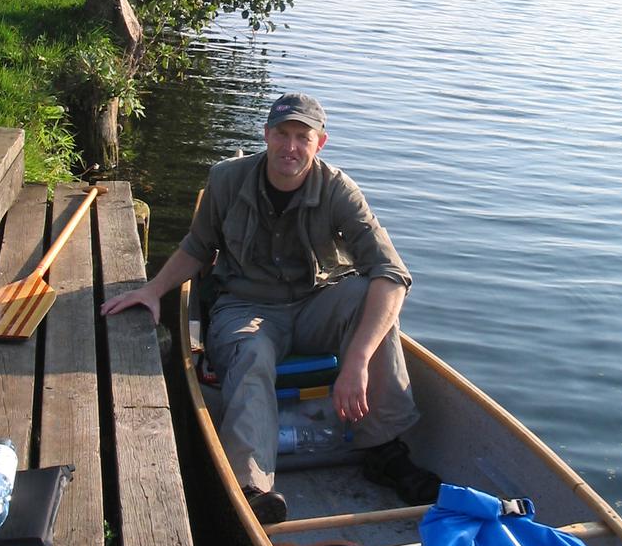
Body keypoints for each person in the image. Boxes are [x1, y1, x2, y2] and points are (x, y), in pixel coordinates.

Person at [102, 92, 440, 523]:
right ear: (266, 134)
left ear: (320, 143)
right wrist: (154, 290)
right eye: (282, 134)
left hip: (316, 301)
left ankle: (383, 448)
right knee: (252, 353)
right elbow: (197, 248)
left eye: (303, 136)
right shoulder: (226, 180)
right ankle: (253, 486)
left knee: (369, 299)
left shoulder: (339, 190)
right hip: (246, 307)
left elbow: (392, 274)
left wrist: (356, 360)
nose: (290, 147)